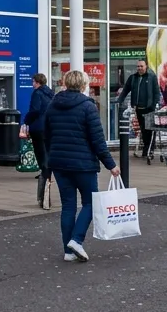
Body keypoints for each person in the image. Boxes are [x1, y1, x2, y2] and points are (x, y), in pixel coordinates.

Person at [44, 69, 120, 262]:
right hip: (83, 164)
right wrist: (111, 165)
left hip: (59, 164)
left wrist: (50, 160)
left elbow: (47, 136)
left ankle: (68, 251)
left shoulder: (53, 105)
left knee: (68, 206)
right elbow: (98, 140)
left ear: (66, 83)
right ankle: (76, 240)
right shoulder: (88, 107)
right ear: (84, 85)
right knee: (90, 203)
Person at [116, 58, 161, 158]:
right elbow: (125, 90)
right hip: (138, 109)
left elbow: (156, 93)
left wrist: (154, 105)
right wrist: (119, 100)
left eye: (141, 66)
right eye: (138, 66)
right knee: (144, 130)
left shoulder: (152, 77)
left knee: (149, 130)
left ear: (146, 67)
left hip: (149, 109)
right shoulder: (133, 78)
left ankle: (149, 151)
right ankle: (146, 150)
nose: (139, 68)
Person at [24, 72, 55, 202]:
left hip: (38, 127)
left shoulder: (37, 93)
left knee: (39, 151)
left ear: (37, 82)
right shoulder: (50, 93)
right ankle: (47, 172)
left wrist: (27, 120)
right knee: (46, 150)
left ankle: (45, 174)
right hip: (49, 126)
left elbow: (35, 110)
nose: (32, 84)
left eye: (33, 82)